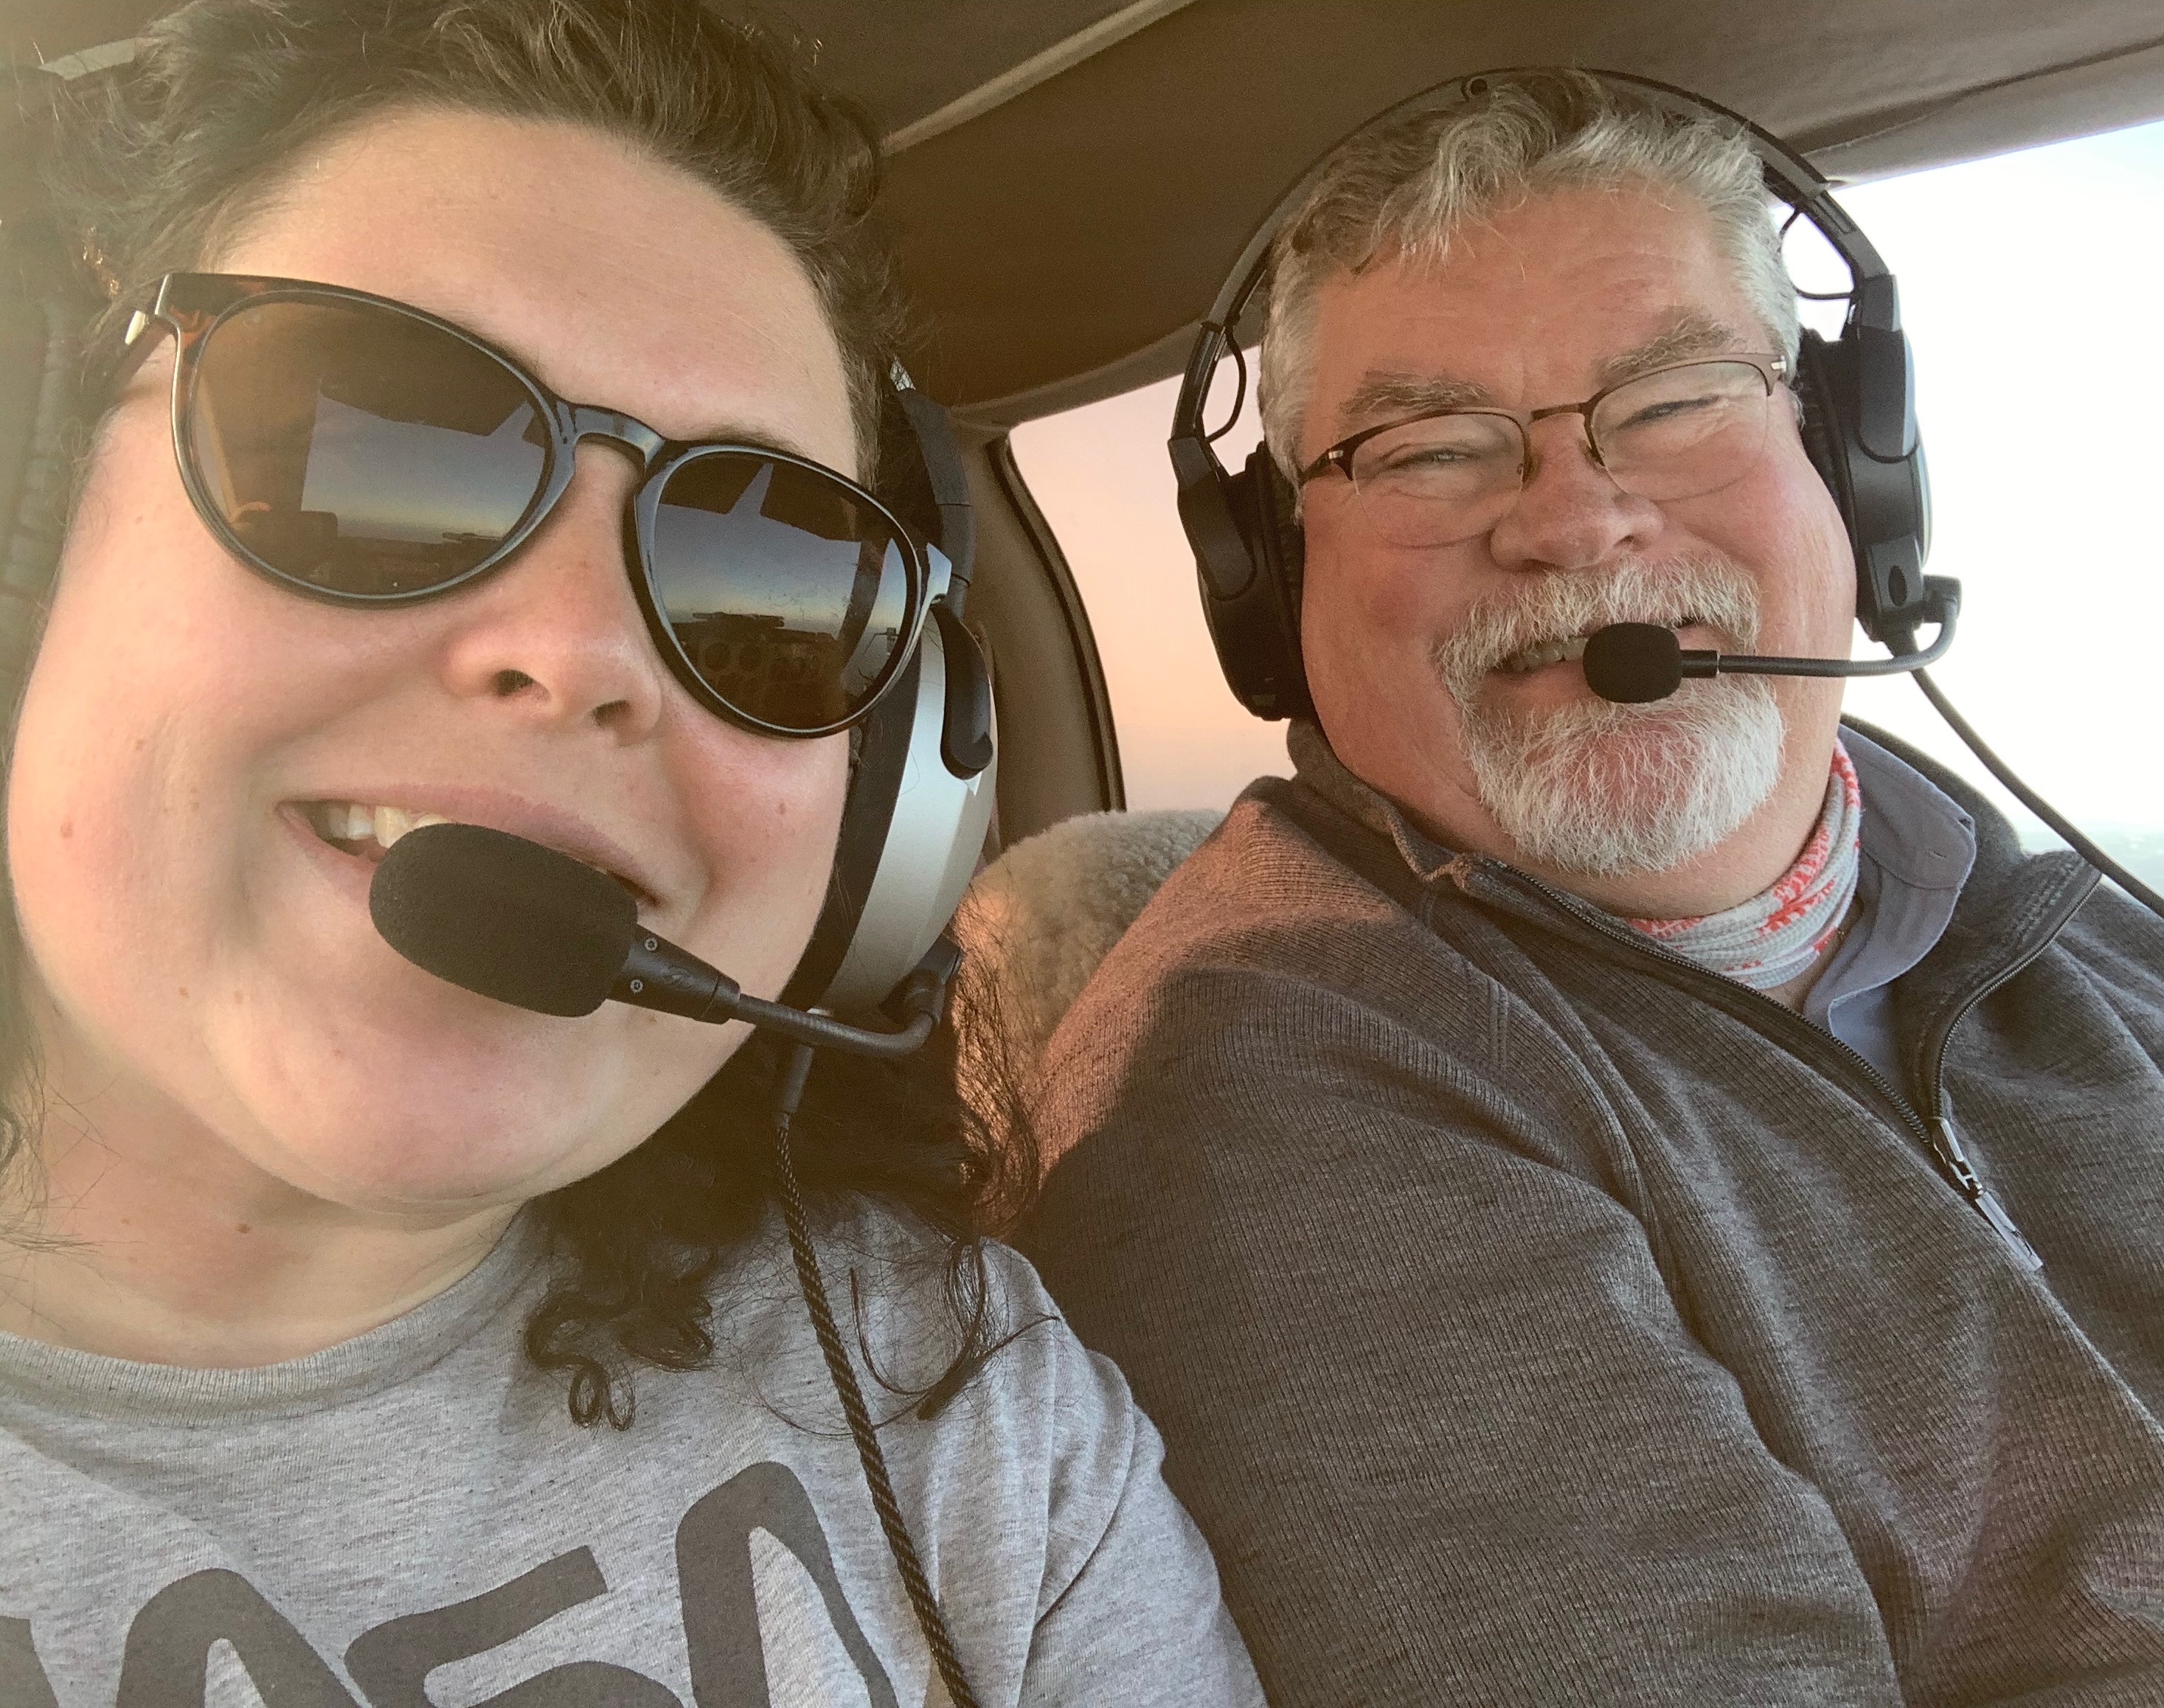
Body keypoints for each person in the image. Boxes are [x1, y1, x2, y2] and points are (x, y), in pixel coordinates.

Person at [0, 3, 1264, 1702]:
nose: (584, 651)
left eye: (775, 582)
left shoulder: (956, 1408)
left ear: (883, 809)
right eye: (375, 451)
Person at [1018, 69, 2164, 1704]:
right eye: (1425, 449)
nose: (1572, 517)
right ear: (1267, 583)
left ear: (1852, 473)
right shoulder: (1269, 1077)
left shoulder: (2083, 946)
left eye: (1674, 403)